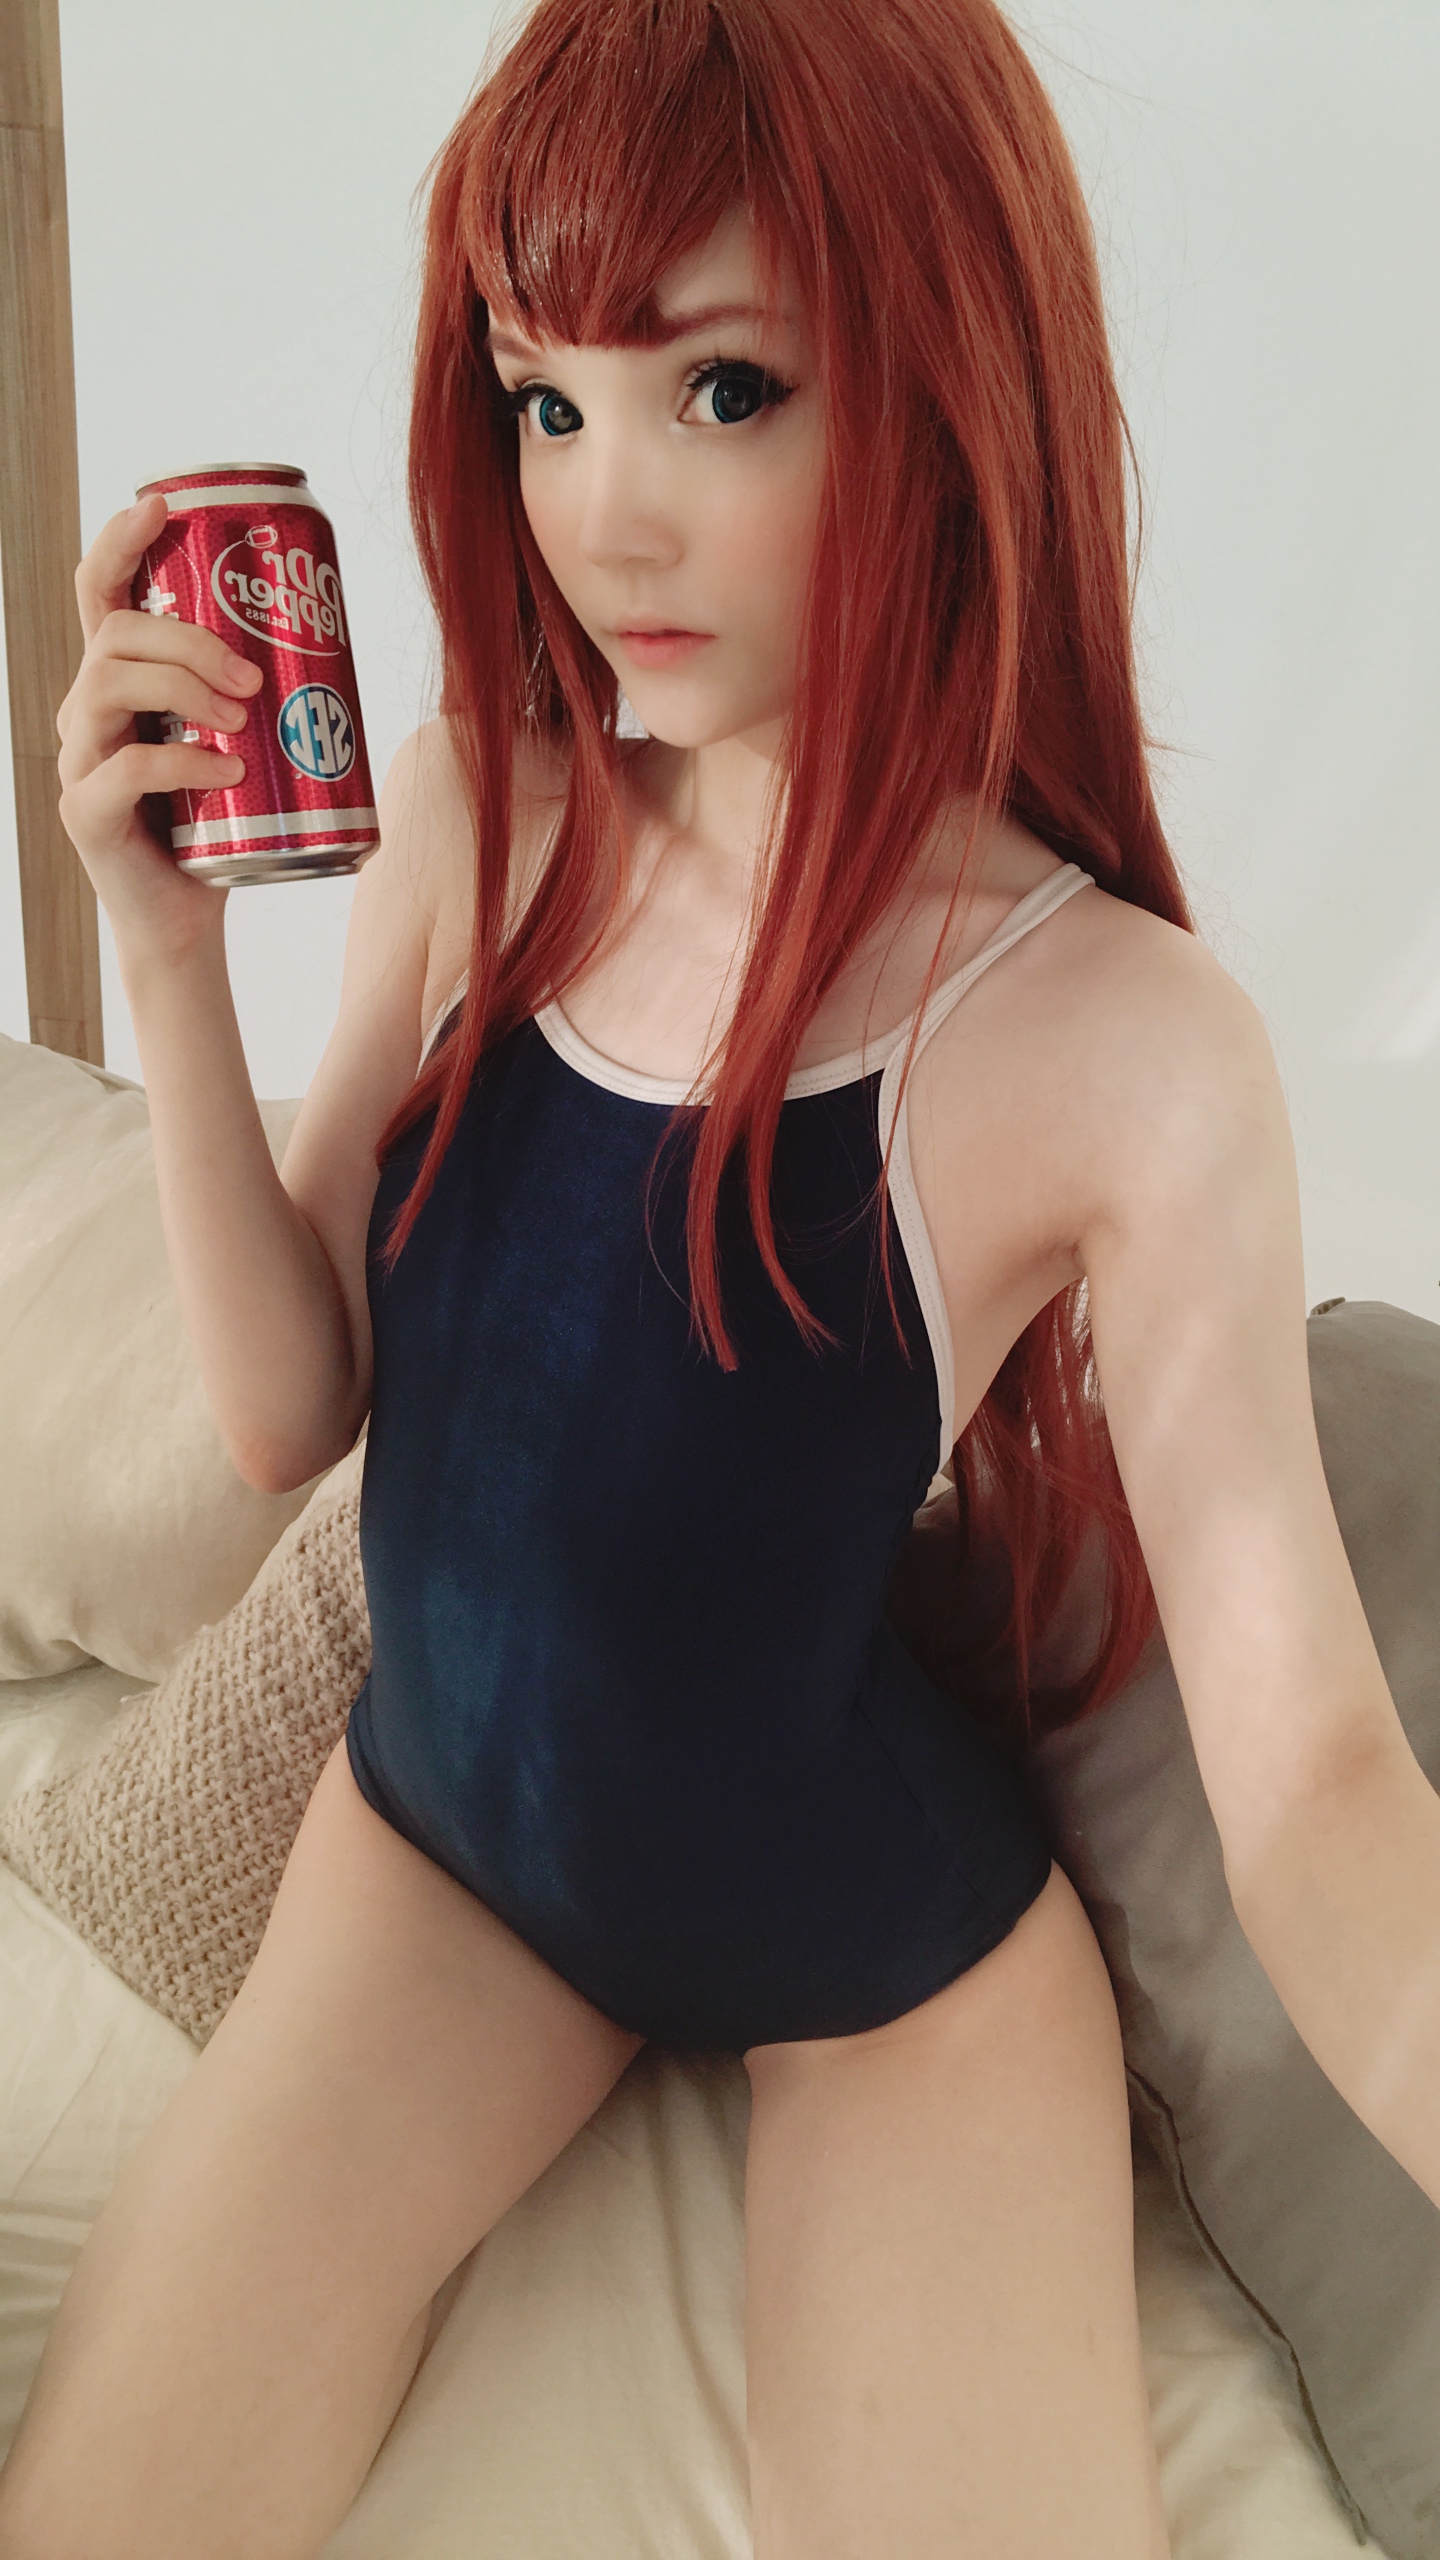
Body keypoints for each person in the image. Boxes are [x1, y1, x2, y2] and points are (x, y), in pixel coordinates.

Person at [3, 0, 1438, 2553]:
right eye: (545, 399)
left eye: (729, 391)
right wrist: (170, 951)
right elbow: (287, 1408)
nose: (603, 517)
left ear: (952, 384)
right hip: (435, 1849)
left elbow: (1320, 1781)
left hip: (877, 1958)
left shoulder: (1118, 1044)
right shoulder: (480, 808)